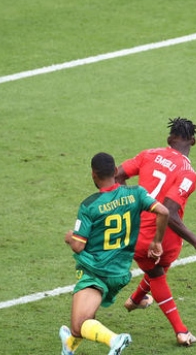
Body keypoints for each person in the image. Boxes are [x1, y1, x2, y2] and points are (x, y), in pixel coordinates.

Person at [59, 152, 170, 355]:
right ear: (116, 171)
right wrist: (157, 241)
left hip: (95, 272)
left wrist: (69, 236)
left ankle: (115, 340)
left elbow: (78, 246)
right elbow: (163, 211)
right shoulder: (136, 193)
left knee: (79, 325)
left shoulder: (89, 205)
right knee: (79, 322)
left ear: (94, 175)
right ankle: (68, 347)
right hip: (119, 274)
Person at [115, 117, 196, 347]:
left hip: (138, 232)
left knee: (157, 270)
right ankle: (181, 331)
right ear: (193, 142)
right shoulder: (189, 173)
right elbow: (168, 211)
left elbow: (117, 175)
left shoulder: (149, 154)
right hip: (163, 237)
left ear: (169, 139)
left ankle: (136, 300)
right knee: (158, 272)